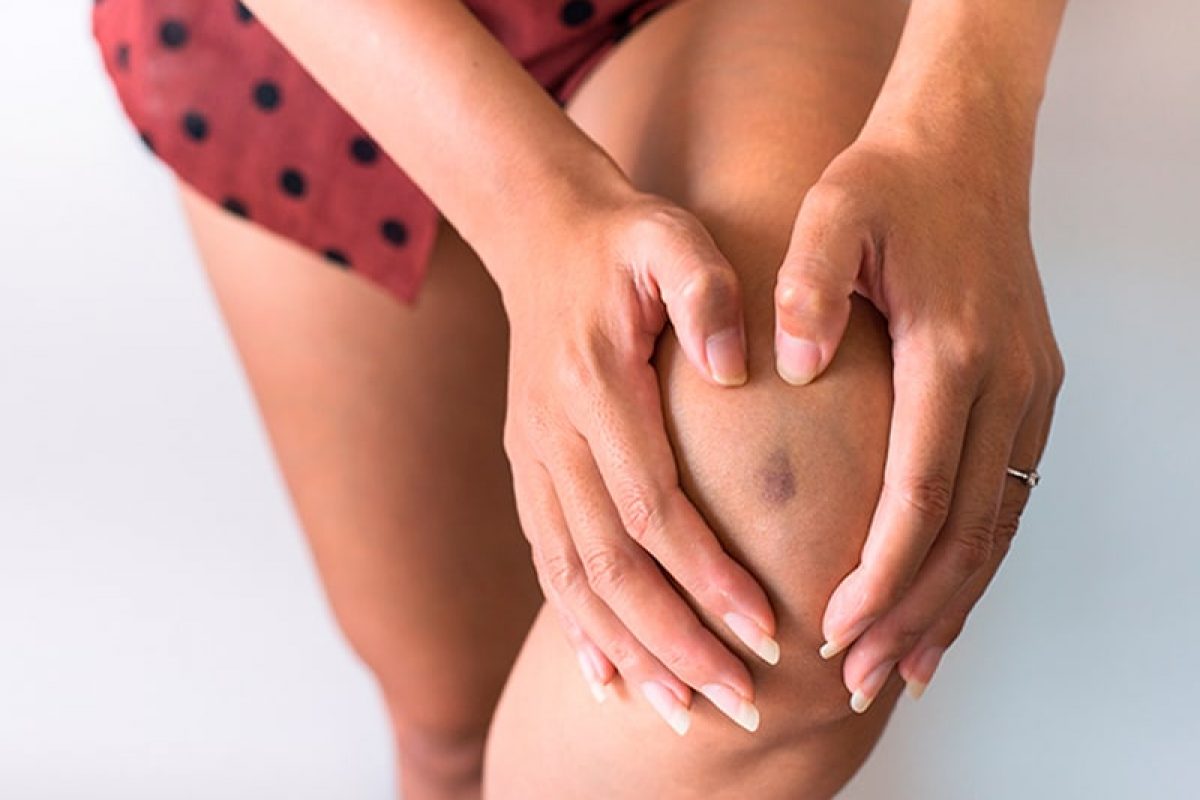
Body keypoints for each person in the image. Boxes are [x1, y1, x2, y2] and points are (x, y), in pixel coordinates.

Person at [90, 0, 1067, 797]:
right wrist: (528, 213)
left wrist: (968, 123)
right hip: (309, 45)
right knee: (446, 722)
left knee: (782, 518)